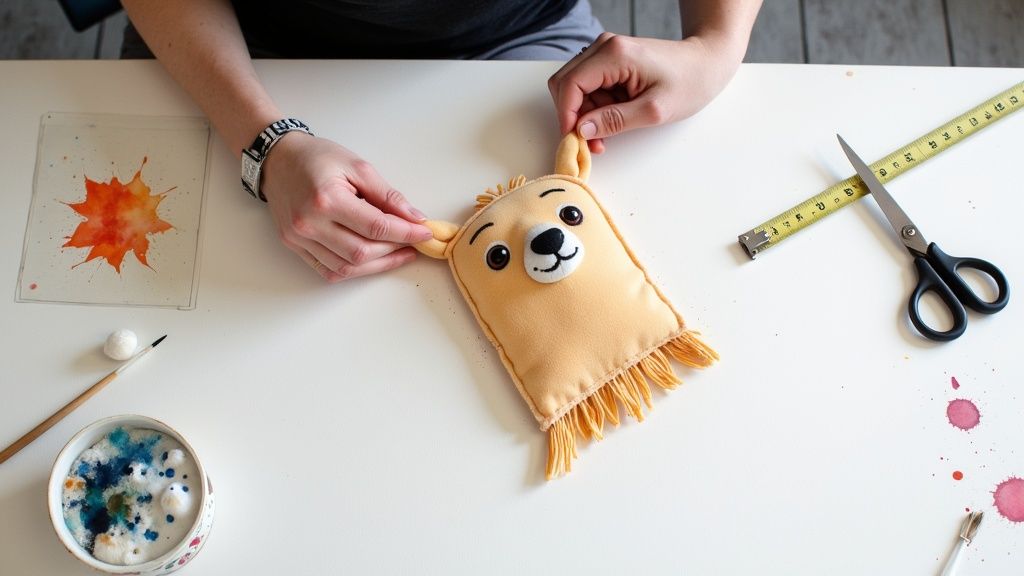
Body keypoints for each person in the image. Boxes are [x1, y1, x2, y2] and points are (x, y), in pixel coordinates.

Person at [120, 1, 762, 282]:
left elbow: (715, 45)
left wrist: (716, 47)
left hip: (528, 38)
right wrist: (265, 143)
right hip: (239, 50)